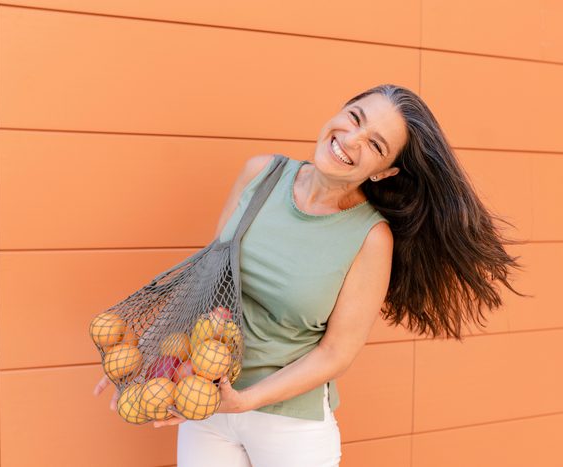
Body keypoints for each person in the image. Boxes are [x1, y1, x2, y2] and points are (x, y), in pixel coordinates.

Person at [93, 84, 528, 466]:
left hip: (289, 427)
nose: (351, 140)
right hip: (206, 404)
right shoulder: (259, 174)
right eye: (354, 118)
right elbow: (212, 284)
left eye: (375, 145)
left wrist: (246, 400)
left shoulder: (370, 237)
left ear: (384, 171)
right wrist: (157, 367)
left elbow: (336, 353)